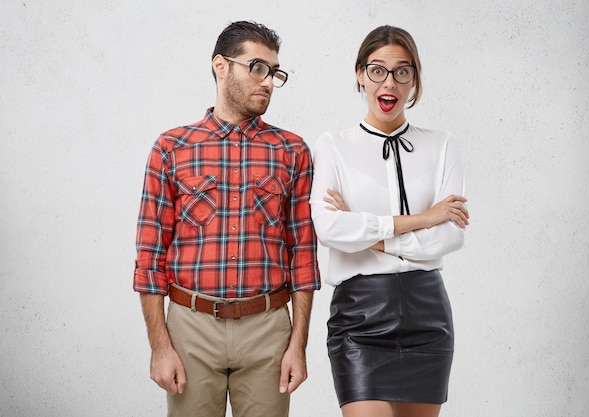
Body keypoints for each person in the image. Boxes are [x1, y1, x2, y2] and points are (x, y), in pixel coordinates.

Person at [133, 21, 321, 417]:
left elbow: (303, 256)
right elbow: (150, 259)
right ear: (221, 66)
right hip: (191, 327)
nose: (268, 82)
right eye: (257, 67)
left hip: (268, 328)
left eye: (274, 72)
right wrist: (160, 348)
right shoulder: (172, 148)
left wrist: (297, 346)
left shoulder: (293, 151)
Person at [309, 25, 469, 417]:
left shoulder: (443, 144)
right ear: (360, 74)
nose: (390, 82)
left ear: (414, 79)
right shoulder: (333, 146)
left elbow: (450, 236)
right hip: (359, 315)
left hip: (427, 311)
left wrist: (373, 237)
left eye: (403, 71)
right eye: (378, 70)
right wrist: (421, 219)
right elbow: (329, 228)